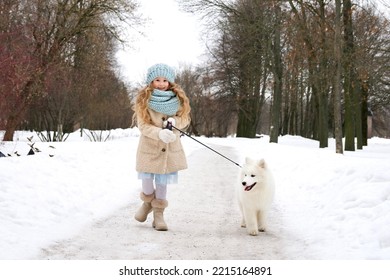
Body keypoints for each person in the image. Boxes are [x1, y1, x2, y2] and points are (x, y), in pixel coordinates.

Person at [132, 63, 191, 231]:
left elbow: (185, 119)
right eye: (157, 80)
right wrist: (159, 133)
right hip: (149, 148)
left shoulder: (178, 100)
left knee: (163, 182)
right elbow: (143, 126)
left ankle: (159, 215)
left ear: (170, 82)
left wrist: (175, 122)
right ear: (151, 81)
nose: (161, 83)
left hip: (169, 149)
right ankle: (147, 202)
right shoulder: (144, 100)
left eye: (165, 80)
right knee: (147, 181)